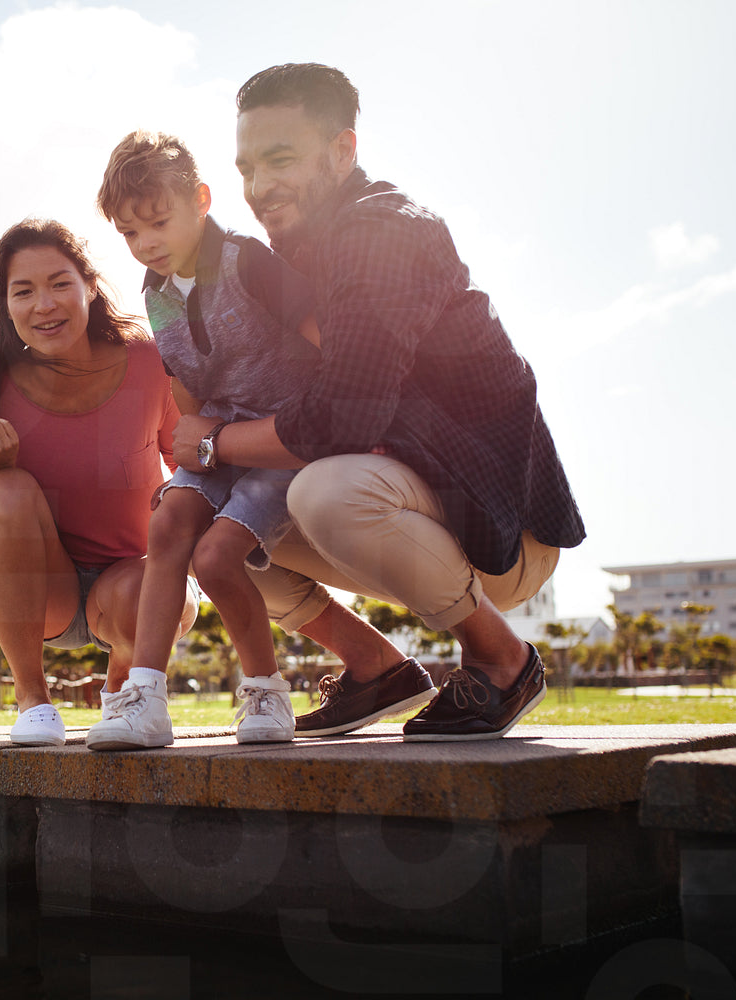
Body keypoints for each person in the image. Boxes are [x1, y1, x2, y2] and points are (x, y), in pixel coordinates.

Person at [168, 62, 586, 741]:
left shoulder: (382, 232)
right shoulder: (290, 256)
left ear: (342, 151)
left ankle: (502, 660)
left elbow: (344, 418)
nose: (260, 187)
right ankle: (374, 667)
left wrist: (213, 442)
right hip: (410, 503)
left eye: (281, 160)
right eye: (247, 168)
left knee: (324, 491)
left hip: (498, 530)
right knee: (205, 517)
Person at [86, 130, 321, 749]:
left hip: (280, 441)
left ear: (201, 200)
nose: (146, 243)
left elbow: (328, 340)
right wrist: (187, 459)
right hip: (217, 437)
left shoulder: (250, 262)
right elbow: (183, 381)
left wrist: (348, 422)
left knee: (215, 558)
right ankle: (144, 698)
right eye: (130, 233)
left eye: (158, 222)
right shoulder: (155, 292)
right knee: (168, 524)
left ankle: (267, 692)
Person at [0, 218, 198, 747]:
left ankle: (124, 687)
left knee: (142, 591)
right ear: (5, 305)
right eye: (23, 291)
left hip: (132, 580)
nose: (44, 305)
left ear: (90, 286)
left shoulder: (149, 361)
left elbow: (187, 458)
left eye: (60, 284)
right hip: (46, 591)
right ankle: (33, 701)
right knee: (8, 488)